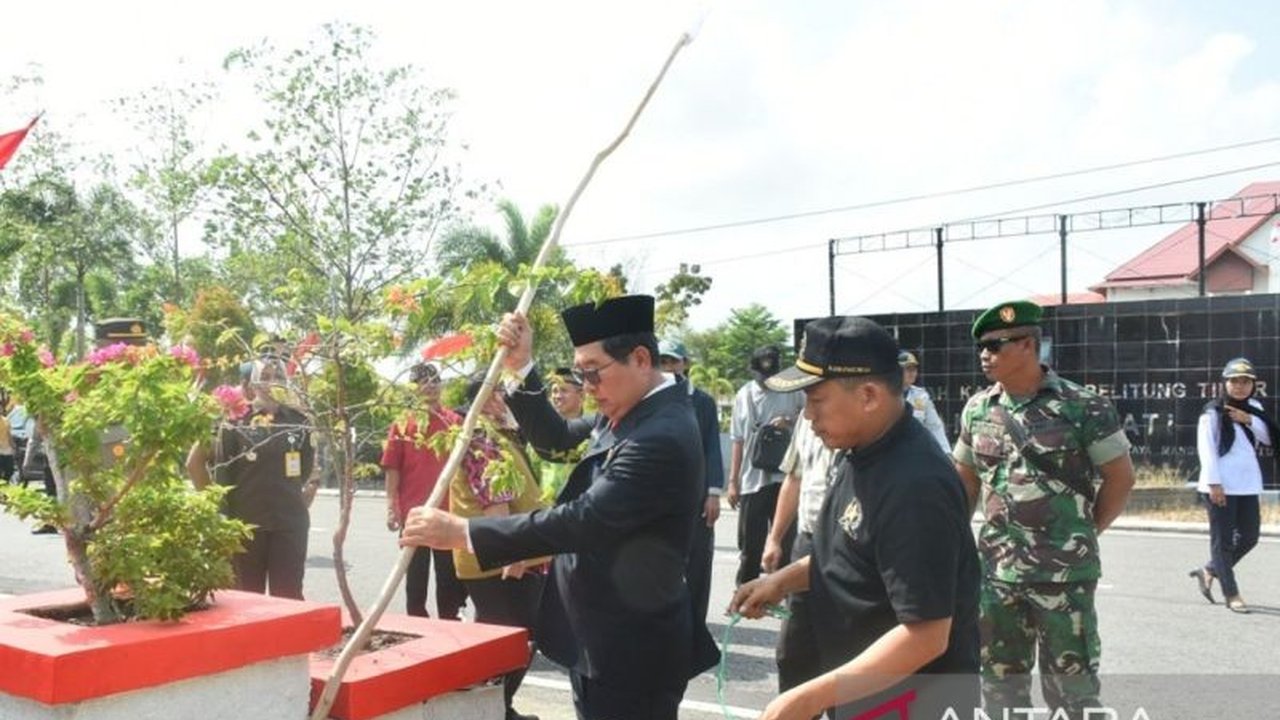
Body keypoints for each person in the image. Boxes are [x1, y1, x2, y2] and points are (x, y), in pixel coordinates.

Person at [400, 295, 719, 720]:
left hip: (631, 646)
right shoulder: (629, 407)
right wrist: (523, 364)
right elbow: (554, 438)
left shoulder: (660, 434)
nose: (586, 388)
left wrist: (465, 532)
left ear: (641, 359)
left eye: (593, 373)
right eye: (581, 374)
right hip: (599, 634)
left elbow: (584, 519)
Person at [730, 316, 980, 720]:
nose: (807, 416)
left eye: (815, 400)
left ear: (867, 395)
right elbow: (855, 555)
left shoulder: (914, 485)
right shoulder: (862, 451)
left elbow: (926, 636)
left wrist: (805, 699)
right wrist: (781, 581)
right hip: (869, 693)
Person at [953, 300, 1135, 718]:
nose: (986, 355)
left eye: (997, 345)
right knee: (999, 692)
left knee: (1074, 696)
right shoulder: (979, 409)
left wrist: (1083, 533)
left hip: (1064, 579)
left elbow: (1120, 478)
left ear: (1029, 346)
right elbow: (965, 480)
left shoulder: (1082, 405)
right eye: (982, 347)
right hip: (997, 577)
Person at [451, 379, 550, 720]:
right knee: (514, 640)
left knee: (513, 638)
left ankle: (499, 708)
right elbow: (494, 499)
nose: (505, 398)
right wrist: (515, 554)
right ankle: (489, 710)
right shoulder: (482, 437)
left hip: (501, 554)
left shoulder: (497, 432)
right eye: (498, 392)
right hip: (500, 559)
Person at [189, 356, 317, 599]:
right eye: (265, 377)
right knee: (246, 599)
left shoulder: (298, 422)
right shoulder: (231, 421)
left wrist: (301, 495)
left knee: (288, 597)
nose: (274, 383)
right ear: (248, 386)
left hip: (288, 524)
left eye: (278, 376)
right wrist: (215, 507)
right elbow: (194, 463)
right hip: (244, 527)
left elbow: (306, 469)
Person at [379, 362, 468, 619]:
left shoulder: (454, 422)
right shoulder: (402, 424)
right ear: (413, 388)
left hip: (447, 513)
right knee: (415, 582)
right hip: (414, 513)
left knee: (448, 581)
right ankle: (418, 628)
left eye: (434, 380)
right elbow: (392, 468)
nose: (430, 386)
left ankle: (448, 628)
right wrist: (390, 507)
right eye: (422, 381)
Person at [1189, 357, 1276, 614]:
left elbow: (1269, 438)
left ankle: (1209, 570)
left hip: (1247, 483)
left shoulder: (1255, 408)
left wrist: (1247, 419)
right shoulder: (1212, 412)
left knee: (1250, 537)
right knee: (1223, 542)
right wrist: (1215, 483)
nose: (1240, 387)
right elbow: (1206, 451)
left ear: (1252, 385)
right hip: (1220, 484)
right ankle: (1231, 593)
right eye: (1234, 381)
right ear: (1225, 383)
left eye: (1245, 382)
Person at [760, 414, 837, 693]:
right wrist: (775, 537)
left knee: (842, 653)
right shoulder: (808, 419)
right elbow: (794, 477)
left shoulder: (857, 423)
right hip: (807, 539)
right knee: (793, 652)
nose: (809, 407)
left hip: (847, 541)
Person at [657, 338, 724, 624]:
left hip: (695, 497)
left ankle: (695, 624)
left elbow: (712, 447)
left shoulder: (703, 402)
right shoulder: (649, 397)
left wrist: (713, 493)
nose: (668, 366)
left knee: (697, 562)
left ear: (685, 364)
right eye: (662, 361)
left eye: (673, 360)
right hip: (658, 497)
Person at [727, 345, 804, 586]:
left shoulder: (792, 391)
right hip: (753, 479)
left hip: (785, 477)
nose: (766, 383)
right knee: (751, 544)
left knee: (786, 542)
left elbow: (809, 414)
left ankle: (782, 593)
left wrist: (789, 421)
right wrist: (733, 482)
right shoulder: (744, 395)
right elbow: (737, 440)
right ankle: (745, 592)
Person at [900, 350, 950, 453]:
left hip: (915, 452)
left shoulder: (921, 396)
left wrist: (946, 453)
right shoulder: (886, 394)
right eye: (908, 369)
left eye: (914, 369)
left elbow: (934, 427)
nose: (912, 373)